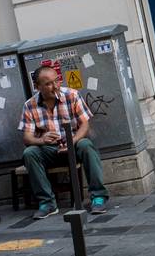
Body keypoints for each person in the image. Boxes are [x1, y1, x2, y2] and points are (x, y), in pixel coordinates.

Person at [19, 61, 110, 219]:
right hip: (50, 149)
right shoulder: (30, 105)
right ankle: (47, 203)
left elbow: (85, 125)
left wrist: (72, 140)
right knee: (29, 153)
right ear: (38, 87)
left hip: (73, 145)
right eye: (48, 84)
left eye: (56, 81)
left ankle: (98, 197)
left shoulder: (72, 95)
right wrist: (42, 140)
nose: (55, 86)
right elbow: (27, 138)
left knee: (86, 145)